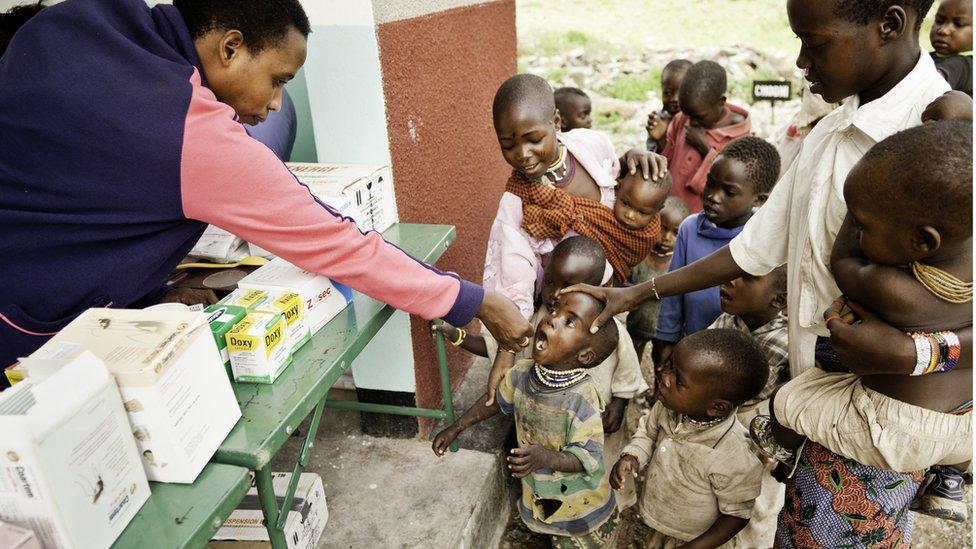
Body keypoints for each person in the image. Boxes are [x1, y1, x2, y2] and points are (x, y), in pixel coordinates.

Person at [566, 0, 972, 544]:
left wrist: (921, 352)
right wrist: (637, 292)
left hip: (884, 418)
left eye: (817, 42)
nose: (801, 61)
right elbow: (755, 248)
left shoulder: (946, 146)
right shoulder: (833, 128)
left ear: (890, 25)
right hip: (815, 392)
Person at [0, 0, 533, 377]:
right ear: (230, 47)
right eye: (278, 79)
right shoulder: (188, 131)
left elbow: (80, 195)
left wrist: (150, 296)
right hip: (28, 330)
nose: (277, 103)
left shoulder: (77, 18)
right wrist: (471, 300)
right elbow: (336, 243)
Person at [752, 121, 972, 522]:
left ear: (923, 242)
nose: (855, 227)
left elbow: (844, 262)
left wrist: (850, 212)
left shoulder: (895, 290)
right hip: (965, 425)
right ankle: (949, 483)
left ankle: (780, 451)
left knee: (789, 400)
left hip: (896, 428)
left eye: (861, 224)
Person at [432, 291, 622, 547]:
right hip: (544, 492)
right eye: (555, 311)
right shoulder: (523, 373)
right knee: (549, 530)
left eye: (569, 322)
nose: (552, 320)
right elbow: (495, 402)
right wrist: (457, 427)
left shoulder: (582, 399)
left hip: (581, 506)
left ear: (585, 356)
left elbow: (587, 457)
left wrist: (544, 458)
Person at [483, 73, 666, 319]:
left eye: (534, 139)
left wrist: (630, 157)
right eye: (508, 145)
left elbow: (617, 179)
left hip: (612, 296)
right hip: (561, 314)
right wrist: (518, 327)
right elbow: (514, 274)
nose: (522, 154)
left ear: (556, 121)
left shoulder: (593, 145)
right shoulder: (517, 203)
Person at [436, 236, 647, 434]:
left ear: (594, 287)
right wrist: (457, 336)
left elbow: (627, 369)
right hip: (542, 424)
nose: (555, 294)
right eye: (549, 282)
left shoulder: (607, 328)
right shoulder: (543, 318)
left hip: (593, 425)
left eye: (568, 286)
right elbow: (505, 344)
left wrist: (620, 403)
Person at [611, 329, 768, 549]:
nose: (664, 378)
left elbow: (736, 515)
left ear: (717, 407)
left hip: (698, 540)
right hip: (661, 524)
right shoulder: (668, 407)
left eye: (679, 380)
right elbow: (648, 433)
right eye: (669, 366)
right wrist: (633, 455)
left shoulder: (733, 454)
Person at [653, 137, 780, 368]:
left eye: (729, 192)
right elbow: (673, 293)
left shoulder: (761, 242)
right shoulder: (690, 229)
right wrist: (665, 340)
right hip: (692, 345)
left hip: (736, 358)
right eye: (711, 183)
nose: (713, 196)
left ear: (759, 199)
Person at [707, 266, 789, 548]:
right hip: (719, 433)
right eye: (733, 271)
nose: (729, 279)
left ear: (779, 301)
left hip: (759, 444)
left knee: (756, 512)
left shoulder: (786, 345)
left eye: (748, 278)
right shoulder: (727, 320)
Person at [662, 60, 751, 212]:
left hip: (702, 221)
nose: (692, 122)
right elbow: (666, 160)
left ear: (721, 102)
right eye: (687, 114)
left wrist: (707, 150)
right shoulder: (681, 119)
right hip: (668, 212)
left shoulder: (741, 138)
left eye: (699, 116)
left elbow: (732, 187)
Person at [627, 197, 691, 361]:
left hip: (663, 330)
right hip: (635, 324)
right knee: (632, 358)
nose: (667, 237)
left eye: (676, 233)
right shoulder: (639, 254)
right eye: (663, 228)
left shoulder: (679, 263)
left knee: (661, 362)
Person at [646, 59, 692, 153]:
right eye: (667, 93)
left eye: (681, 93)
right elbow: (658, 162)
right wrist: (662, 137)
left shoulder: (698, 122)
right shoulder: (658, 122)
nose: (674, 99)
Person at [930, 0, 972, 96]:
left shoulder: (964, 65)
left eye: (959, 24)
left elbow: (930, 83)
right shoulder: (926, 56)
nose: (943, 30)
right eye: (939, 21)